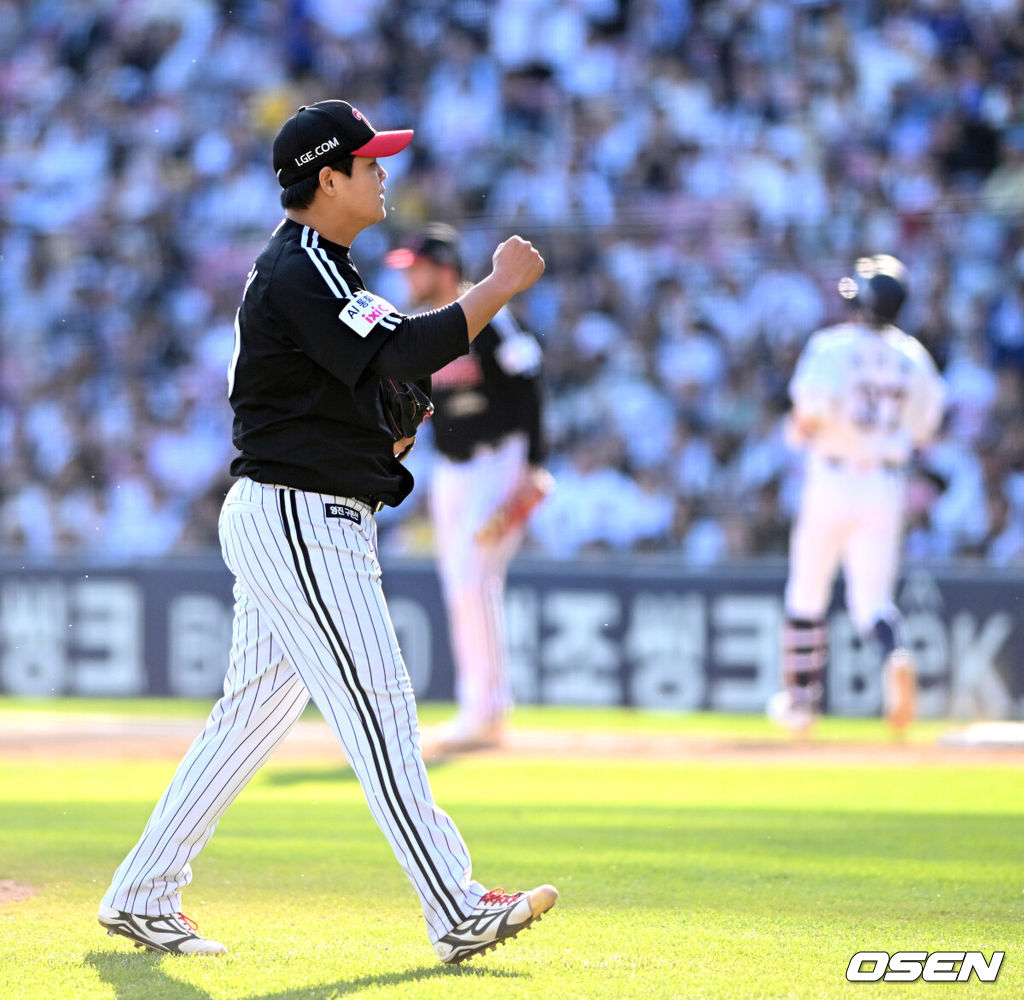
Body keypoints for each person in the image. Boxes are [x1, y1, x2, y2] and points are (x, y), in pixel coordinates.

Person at [97, 99, 557, 963]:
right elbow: (405, 354)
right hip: (299, 516)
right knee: (378, 706)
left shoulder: (326, 271)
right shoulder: (303, 264)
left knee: (252, 717)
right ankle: (457, 906)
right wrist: (494, 287)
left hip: (299, 510)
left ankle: (142, 890)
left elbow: (378, 386)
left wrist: (394, 419)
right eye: (370, 161)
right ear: (328, 176)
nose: (384, 172)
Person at [386, 224, 551, 752]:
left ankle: (483, 709)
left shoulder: (486, 317)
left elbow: (529, 384)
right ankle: (485, 706)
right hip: (453, 470)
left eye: (417, 266)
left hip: (498, 460)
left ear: (444, 269)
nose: (409, 276)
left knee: (471, 576)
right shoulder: (422, 325)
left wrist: (532, 464)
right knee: (464, 581)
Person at [768, 254, 946, 735]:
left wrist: (801, 432)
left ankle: (802, 705)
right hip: (884, 482)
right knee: (872, 601)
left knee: (807, 591)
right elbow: (926, 431)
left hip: (832, 476)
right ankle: (896, 654)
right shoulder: (913, 357)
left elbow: (807, 419)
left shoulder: (832, 346)